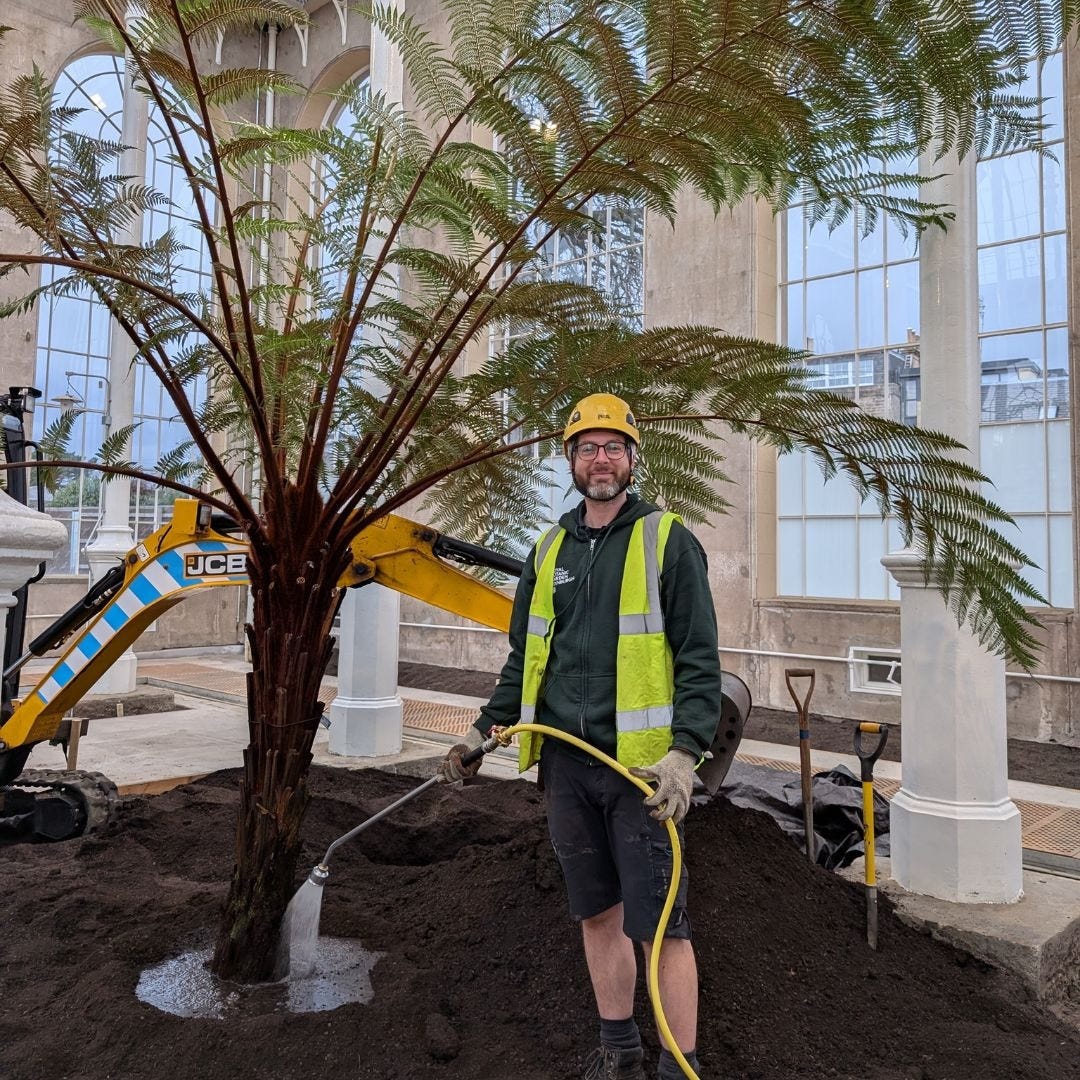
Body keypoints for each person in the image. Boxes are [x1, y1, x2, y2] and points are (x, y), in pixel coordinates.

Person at [440, 392, 721, 1080]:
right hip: (567, 768)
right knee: (597, 914)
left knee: (662, 928)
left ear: (632, 460)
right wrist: (480, 730)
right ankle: (619, 1051)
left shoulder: (667, 541)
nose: (601, 459)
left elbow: (699, 661)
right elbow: (526, 660)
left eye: (613, 447)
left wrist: (684, 755)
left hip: (641, 777)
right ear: (569, 460)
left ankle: (677, 1066)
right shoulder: (548, 549)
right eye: (588, 448)